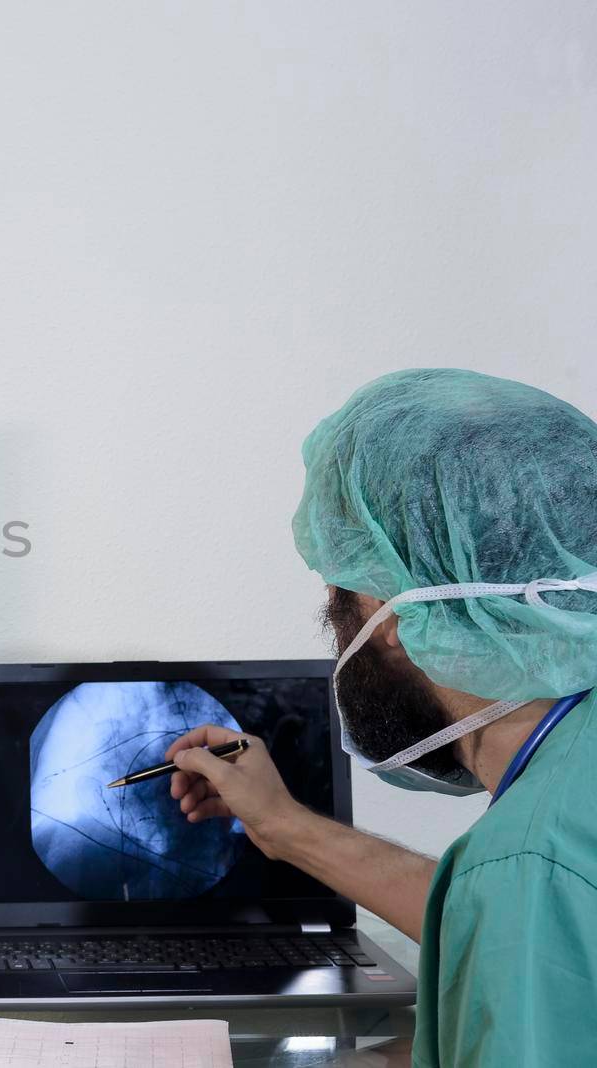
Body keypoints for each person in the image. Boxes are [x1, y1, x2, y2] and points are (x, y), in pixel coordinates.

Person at [166, 368, 597, 1068]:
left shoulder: (528, 865)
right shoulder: (559, 812)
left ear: (398, 614)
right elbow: (531, 939)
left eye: (339, 590)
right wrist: (284, 827)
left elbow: (527, 908)